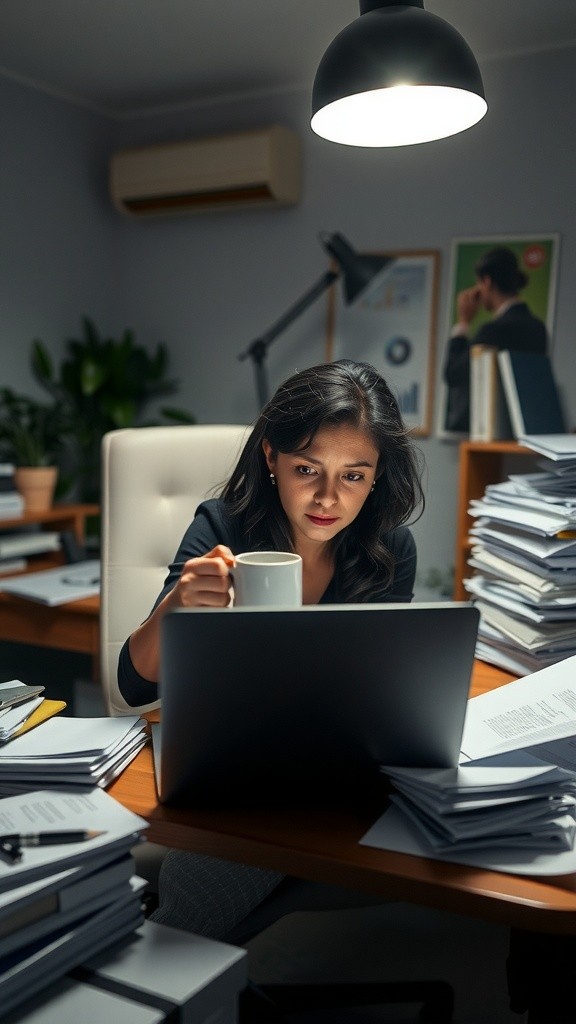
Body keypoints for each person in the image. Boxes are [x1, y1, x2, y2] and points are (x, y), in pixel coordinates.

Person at [118, 359, 424, 941]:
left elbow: (377, 696)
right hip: (234, 764)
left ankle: (178, 960)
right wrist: (178, 607)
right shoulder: (223, 526)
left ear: (378, 474)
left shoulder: (390, 548)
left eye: (354, 476)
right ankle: (176, 964)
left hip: (339, 771)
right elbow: (134, 684)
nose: (328, 498)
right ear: (270, 458)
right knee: (225, 867)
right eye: (307, 469)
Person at [443, 246, 548, 433]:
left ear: (487, 282)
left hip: (493, 430)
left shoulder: (493, 331)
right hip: (530, 429)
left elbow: (453, 373)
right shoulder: (538, 327)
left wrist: (464, 323)